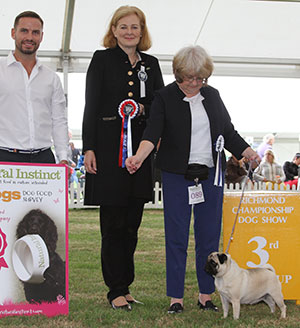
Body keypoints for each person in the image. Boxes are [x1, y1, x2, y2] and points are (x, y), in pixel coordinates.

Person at [125, 45, 260, 314]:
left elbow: (228, 131)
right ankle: (176, 297)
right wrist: (138, 157)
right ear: (177, 74)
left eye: (201, 78)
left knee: (209, 237)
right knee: (176, 237)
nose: (196, 83)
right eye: (190, 78)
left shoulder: (212, 96)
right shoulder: (164, 97)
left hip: (211, 175)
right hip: (177, 176)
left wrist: (247, 151)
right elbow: (152, 132)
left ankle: (206, 294)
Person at [82, 6, 164, 310]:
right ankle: (114, 288)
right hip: (107, 151)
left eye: (135, 27)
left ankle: (126, 286)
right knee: (113, 223)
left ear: (142, 32)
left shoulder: (151, 64)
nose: (129, 32)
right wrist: (88, 146)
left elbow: (160, 104)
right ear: (114, 30)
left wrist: (141, 109)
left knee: (132, 224)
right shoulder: (101, 59)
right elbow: (90, 104)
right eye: (123, 27)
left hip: (140, 154)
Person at [0, 11, 69, 165]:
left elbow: (59, 120)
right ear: (13, 33)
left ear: (41, 37)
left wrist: (63, 157)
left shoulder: (51, 78)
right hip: (4, 158)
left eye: (35, 32)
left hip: (43, 159)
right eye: (24, 31)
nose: (29, 37)